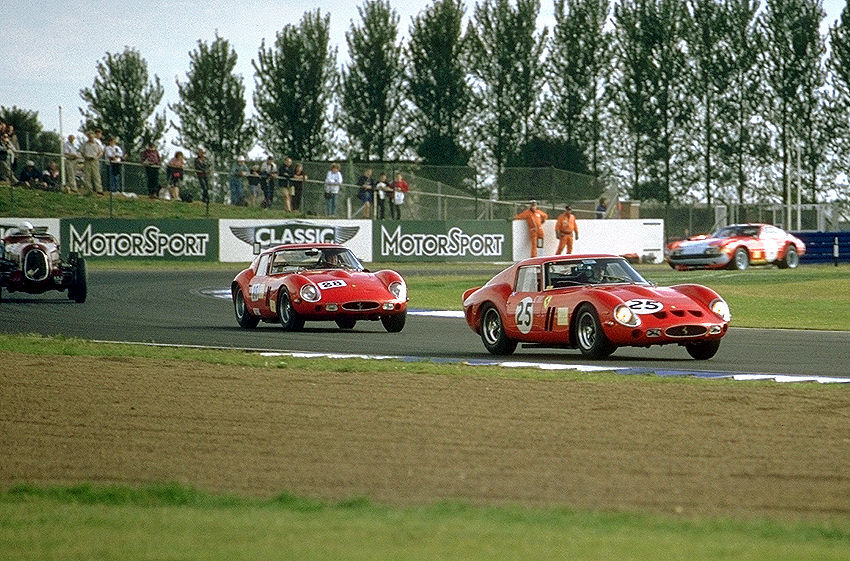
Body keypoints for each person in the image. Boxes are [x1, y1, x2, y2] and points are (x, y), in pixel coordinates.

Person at [80, 130, 104, 195]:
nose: (90, 137)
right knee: (87, 176)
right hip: (87, 160)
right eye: (89, 136)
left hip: (94, 160)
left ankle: (99, 190)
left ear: (94, 136)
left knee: (96, 175)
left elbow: (101, 152)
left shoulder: (97, 144)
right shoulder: (85, 144)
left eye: (91, 136)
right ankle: (89, 190)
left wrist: (97, 157)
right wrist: (85, 156)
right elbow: (82, 152)